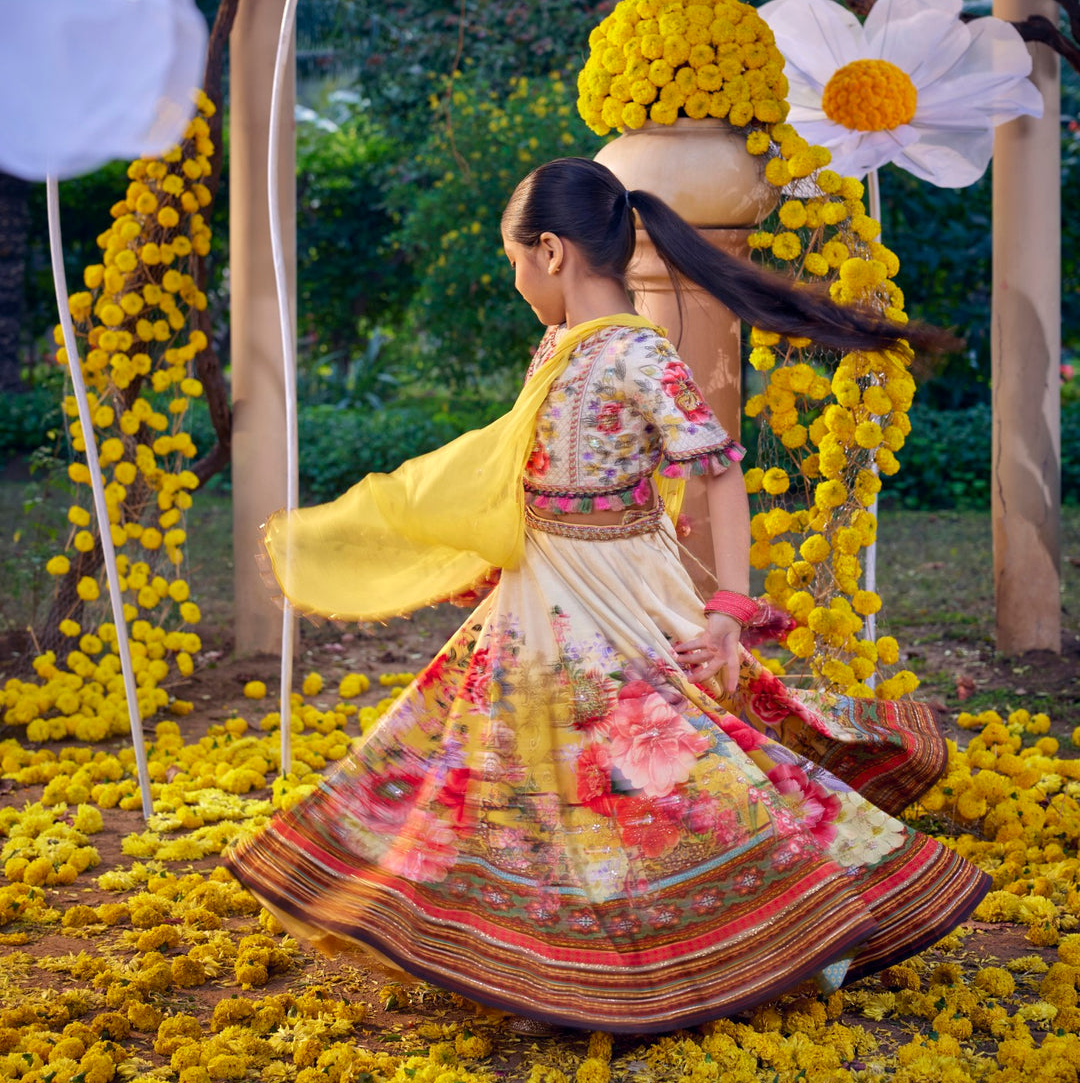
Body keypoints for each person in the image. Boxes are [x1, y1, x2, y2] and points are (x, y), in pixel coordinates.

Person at [225, 156, 990, 1035]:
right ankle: (544, 946)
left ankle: (803, 918)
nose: (513, 279)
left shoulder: (640, 353)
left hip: (619, 589)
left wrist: (728, 609)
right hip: (544, 583)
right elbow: (534, 467)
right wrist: (498, 552)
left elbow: (719, 474)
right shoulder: (555, 347)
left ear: (549, 251)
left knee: (667, 762)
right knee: (511, 755)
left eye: (512, 260)